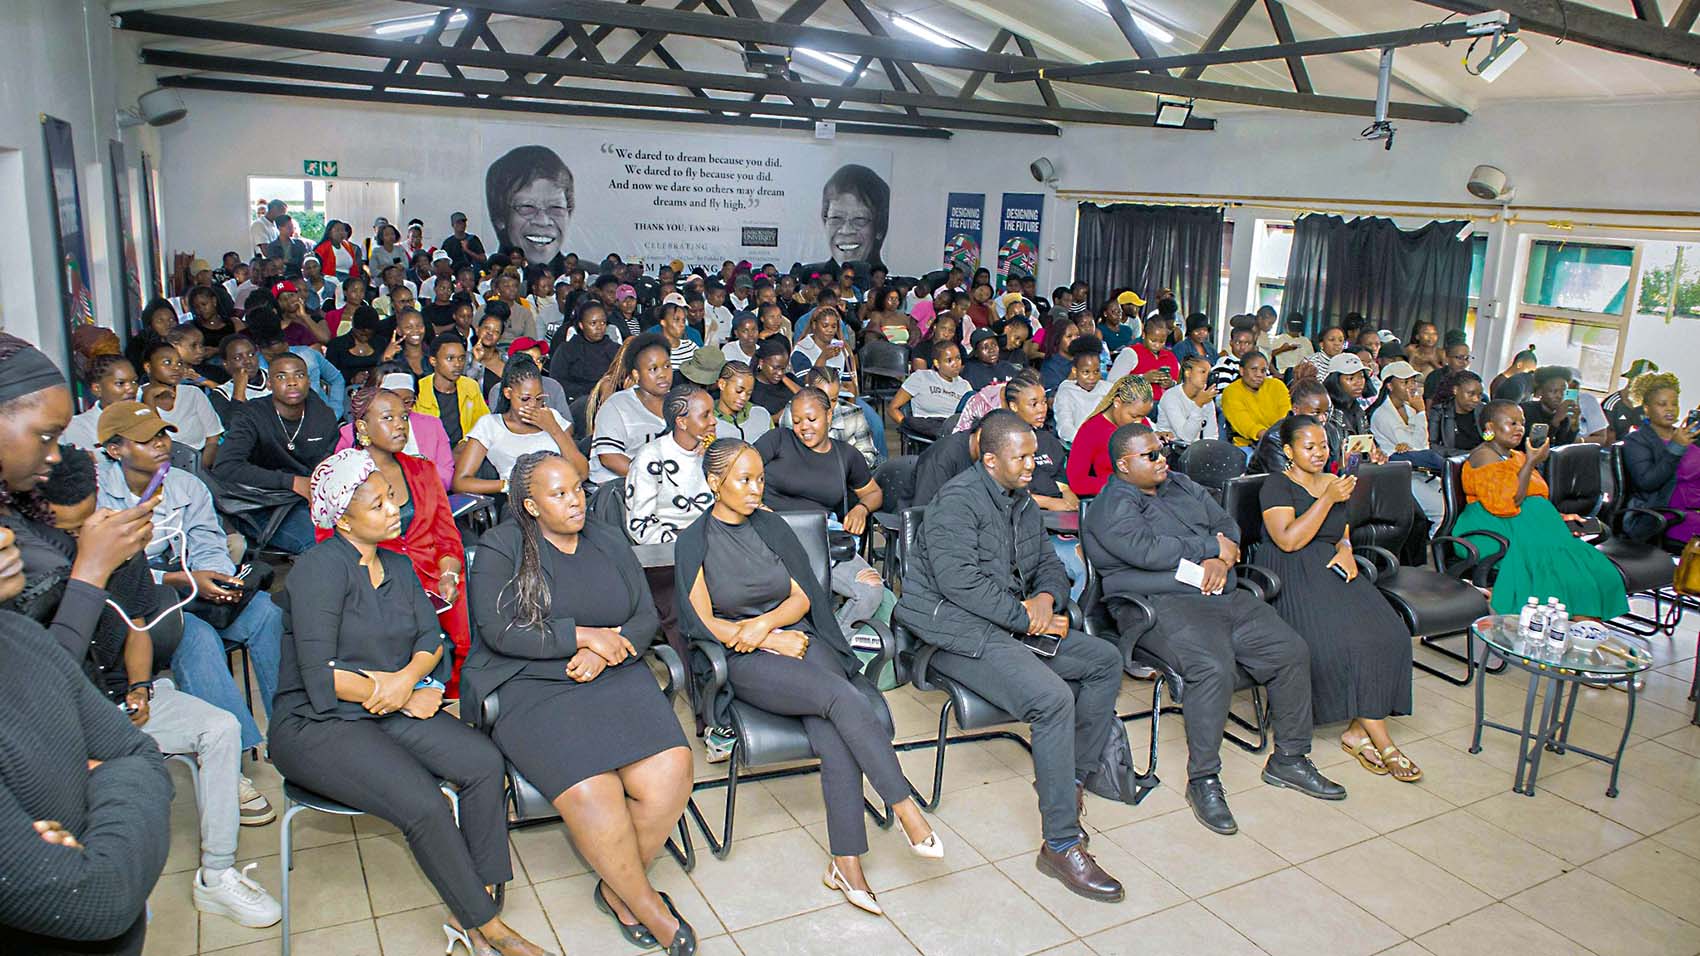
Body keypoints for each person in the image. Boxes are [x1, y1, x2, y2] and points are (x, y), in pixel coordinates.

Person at [271, 450, 554, 956]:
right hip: (319, 724)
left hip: (389, 706)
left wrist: (405, 683)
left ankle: (474, 895)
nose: (393, 509)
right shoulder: (319, 570)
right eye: (378, 503)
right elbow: (320, 674)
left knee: (483, 762)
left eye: (391, 497)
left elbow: (432, 640)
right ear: (342, 517)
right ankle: (490, 929)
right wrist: (396, 692)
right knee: (423, 805)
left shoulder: (398, 566)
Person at [680, 440, 936, 914]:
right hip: (744, 656)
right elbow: (702, 623)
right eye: (743, 480)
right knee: (841, 699)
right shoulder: (694, 540)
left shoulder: (772, 526)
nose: (756, 489)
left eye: (760, 479)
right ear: (715, 483)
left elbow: (803, 597)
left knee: (834, 732)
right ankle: (904, 807)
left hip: (796, 637)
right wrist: (762, 637)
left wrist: (770, 624)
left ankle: (846, 863)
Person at [462, 451, 695, 953]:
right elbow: (500, 630)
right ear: (529, 505)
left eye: (577, 489)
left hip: (613, 673)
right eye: (559, 494)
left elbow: (643, 616)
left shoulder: (607, 538)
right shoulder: (501, 546)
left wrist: (607, 652)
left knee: (672, 769)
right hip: (531, 682)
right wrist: (583, 638)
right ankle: (648, 906)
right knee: (594, 791)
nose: (576, 502)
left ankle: (617, 889)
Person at [895, 413, 1124, 899]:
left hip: (1008, 626)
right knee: (1053, 698)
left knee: (1104, 660)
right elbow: (960, 587)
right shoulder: (956, 502)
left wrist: (1046, 600)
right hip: (954, 636)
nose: (1031, 465)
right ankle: (1060, 844)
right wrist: (1029, 619)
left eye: (1032, 454)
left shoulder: (1019, 500)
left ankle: (1071, 782)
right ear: (991, 458)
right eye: (1020, 458)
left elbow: (1049, 565)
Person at [1084, 422, 1344, 835]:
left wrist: (1221, 561)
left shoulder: (1182, 485)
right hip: (1158, 604)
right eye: (1150, 455)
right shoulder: (1111, 505)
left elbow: (1229, 526)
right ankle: (1203, 779)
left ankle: (1290, 759)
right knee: (1213, 668)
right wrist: (1208, 549)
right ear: (1123, 464)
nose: (1162, 459)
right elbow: (1144, 551)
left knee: (1290, 650)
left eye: (1162, 449)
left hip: (1220, 591)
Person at [0, 571, 176, 955]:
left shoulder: (19, 635)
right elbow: (100, 896)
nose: (5, 536)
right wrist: (101, 777)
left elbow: (139, 753)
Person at [1259, 417, 1419, 781]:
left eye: (1323, 446)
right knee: (1348, 642)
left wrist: (1346, 548)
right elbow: (1287, 539)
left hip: (1332, 565)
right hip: (1291, 570)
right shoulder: (1276, 486)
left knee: (1391, 633)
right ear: (1289, 451)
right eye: (1309, 447)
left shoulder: (1334, 482)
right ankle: (1382, 740)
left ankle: (1357, 731)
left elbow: (1341, 532)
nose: (1319, 454)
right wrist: (1326, 500)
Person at [324, 387, 472, 696]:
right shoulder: (342, 478)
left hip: (434, 577)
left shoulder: (423, 469)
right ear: (362, 427)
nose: (400, 425)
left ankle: (456, 703)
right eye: (388, 418)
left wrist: (448, 574)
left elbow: (447, 535)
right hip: (376, 586)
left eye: (403, 417)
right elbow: (331, 548)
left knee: (465, 638)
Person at [1455, 402, 1630, 619]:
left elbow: (1535, 495)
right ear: (1490, 427)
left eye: (1522, 423)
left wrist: (1559, 517)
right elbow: (1508, 502)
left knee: (1590, 568)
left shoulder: (1515, 455)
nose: (1519, 428)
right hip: (1496, 525)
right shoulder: (1484, 456)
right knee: (1557, 568)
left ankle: (1585, 627)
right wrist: (1531, 463)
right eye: (1512, 423)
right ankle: (1577, 625)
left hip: (1533, 527)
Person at [755, 388, 885, 635]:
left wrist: (861, 508)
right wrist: (755, 504)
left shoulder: (846, 455)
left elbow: (873, 492)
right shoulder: (778, 440)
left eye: (811, 419)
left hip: (820, 542)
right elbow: (741, 468)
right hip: (771, 536)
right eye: (796, 421)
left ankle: (833, 641)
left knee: (871, 589)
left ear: (829, 414)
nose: (804, 427)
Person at [213, 351, 339, 553]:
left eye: (299, 375)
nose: (291, 382)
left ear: (308, 381)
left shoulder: (322, 415)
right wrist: (291, 481)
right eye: (281, 376)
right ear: (269, 384)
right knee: (320, 545)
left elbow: (328, 463)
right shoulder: (252, 415)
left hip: (308, 499)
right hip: (260, 503)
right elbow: (226, 467)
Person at [454, 357, 587, 492]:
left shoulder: (551, 418)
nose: (533, 405)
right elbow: (460, 482)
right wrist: (509, 485)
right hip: (520, 501)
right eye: (525, 399)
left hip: (561, 494)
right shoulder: (490, 425)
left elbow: (582, 472)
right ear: (508, 393)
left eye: (539, 398)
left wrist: (554, 428)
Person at [335, 372, 456, 491]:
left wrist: (421, 467)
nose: (400, 425)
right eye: (388, 417)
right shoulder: (349, 434)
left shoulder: (432, 425)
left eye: (408, 402)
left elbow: (448, 477)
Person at [1620, 372, 1700, 543]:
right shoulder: (1637, 440)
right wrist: (1676, 447)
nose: (1670, 408)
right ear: (1647, 408)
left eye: (1674, 404)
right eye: (1662, 404)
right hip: (1665, 515)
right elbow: (1648, 482)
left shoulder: (1685, 435)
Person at [589, 334, 672, 485]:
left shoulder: (678, 403)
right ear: (636, 374)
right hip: (620, 487)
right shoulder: (617, 405)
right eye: (653, 369)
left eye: (667, 366)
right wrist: (656, 480)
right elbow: (609, 457)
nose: (662, 374)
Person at [1066, 374, 1155, 497]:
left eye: (1143, 416)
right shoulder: (1091, 430)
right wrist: (1123, 485)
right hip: (1115, 498)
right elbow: (1077, 482)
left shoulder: (1140, 423)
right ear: (1117, 402)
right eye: (1134, 416)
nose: (1139, 422)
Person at [139, 339, 223, 467]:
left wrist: (201, 470)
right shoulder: (135, 397)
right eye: (167, 362)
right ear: (148, 367)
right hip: (155, 468)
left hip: (199, 463)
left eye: (180, 363)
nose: (176, 368)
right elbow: (153, 438)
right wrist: (149, 398)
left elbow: (213, 438)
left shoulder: (193, 394)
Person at [487, 146, 573, 272]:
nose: (543, 221)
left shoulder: (590, 278)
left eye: (556, 208)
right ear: (500, 218)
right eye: (527, 207)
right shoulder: (487, 274)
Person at [414, 336, 491, 449]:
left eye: (461, 358)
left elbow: (484, 423)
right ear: (433, 361)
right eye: (450, 359)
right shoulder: (420, 389)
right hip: (430, 455)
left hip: (465, 452)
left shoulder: (470, 386)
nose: (458, 364)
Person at [891, 340, 970, 439]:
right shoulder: (921, 377)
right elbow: (893, 408)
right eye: (949, 360)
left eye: (958, 358)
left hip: (954, 433)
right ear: (937, 363)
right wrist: (908, 428)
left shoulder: (964, 385)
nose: (956, 364)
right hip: (926, 431)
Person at [64, 354, 140, 451]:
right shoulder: (79, 426)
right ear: (97, 389)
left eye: (134, 381)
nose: (131, 389)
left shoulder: (144, 416)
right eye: (120, 383)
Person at [819, 164, 889, 269]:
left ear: (879, 228)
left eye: (860, 220)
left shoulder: (885, 282)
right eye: (836, 218)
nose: (846, 231)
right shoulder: (814, 276)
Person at [550, 302, 618, 402]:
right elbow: (557, 381)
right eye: (593, 323)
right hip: (577, 400)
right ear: (581, 325)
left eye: (603, 322)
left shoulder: (615, 349)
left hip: (610, 399)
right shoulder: (568, 349)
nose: (599, 327)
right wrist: (592, 392)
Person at [1221, 352, 1290, 448]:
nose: (1259, 375)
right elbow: (1246, 426)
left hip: (1281, 441)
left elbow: (1286, 416)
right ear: (1241, 371)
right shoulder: (1231, 392)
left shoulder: (1277, 386)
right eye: (1254, 370)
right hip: (1247, 445)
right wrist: (1271, 438)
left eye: (1263, 371)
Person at [1155, 354, 1220, 443]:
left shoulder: (1206, 398)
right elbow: (1186, 437)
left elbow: (1211, 436)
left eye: (1209, 373)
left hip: (1194, 449)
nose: (1207, 377)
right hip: (1169, 448)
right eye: (1203, 372)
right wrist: (1199, 404)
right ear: (1188, 373)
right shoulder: (1171, 396)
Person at [1520, 365, 1581, 449]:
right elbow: (1535, 447)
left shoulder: (1563, 416)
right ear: (1540, 392)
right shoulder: (1525, 411)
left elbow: (1563, 447)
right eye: (1554, 391)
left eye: (1563, 392)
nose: (1559, 396)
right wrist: (1555, 421)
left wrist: (1574, 426)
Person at [1428, 370, 1485, 458]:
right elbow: (1432, 446)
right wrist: (1469, 455)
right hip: (1453, 462)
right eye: (1471, 394)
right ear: (1455, 390)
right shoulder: (1439, 412)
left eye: (1480, 395)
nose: (1476, 399)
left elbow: (1492, 439)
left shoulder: (1483, 411)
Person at [712, 360, 772, 443]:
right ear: (722, 384)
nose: (744, 398)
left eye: (749, 393)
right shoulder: (708, 420)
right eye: (739, 391)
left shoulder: (761, 414)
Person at [1210, 325, 1257, 391]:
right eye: (1238, 343)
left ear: (1253, 345)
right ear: (1231, 343)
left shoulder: (1258, 363)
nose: (1242, 347)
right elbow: (1224, 394)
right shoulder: (1225, 363)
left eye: (1247, 343)